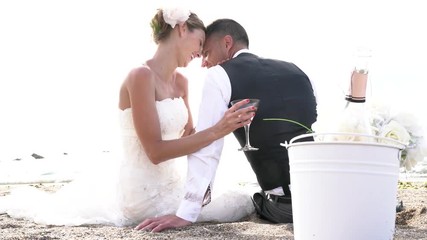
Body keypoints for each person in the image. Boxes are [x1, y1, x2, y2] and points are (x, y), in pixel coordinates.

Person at [0, 9, 255, 227]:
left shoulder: (181, 82)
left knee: (239, 201)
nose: (200, 54)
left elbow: (189, 138)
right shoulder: (140, 76)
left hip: (172, 183)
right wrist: (217, 130)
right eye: (200, 43)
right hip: (142, 193)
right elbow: (155, 151)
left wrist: (223, 119)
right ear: (181, 29)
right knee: (230, 207)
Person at [136, 18, 317, 232]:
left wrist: (186, 213)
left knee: (253, 200)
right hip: (317, 198)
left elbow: (208, 148)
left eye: (207, 53)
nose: (203, 63)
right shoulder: (297, 71)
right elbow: (313, 126)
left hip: (285, 209)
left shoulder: (219, 75)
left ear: (227, 43)